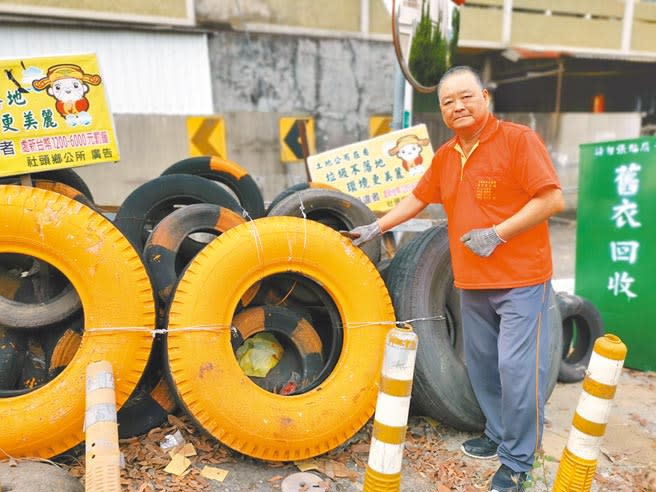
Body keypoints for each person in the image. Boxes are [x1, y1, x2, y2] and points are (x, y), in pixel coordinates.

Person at [349, 65, 565, 492]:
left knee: (518, 368)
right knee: (484, 367)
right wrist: (376, 227)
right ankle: (499, 432)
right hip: (472, 282)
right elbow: (418, 197)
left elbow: (552, 198)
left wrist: (497, 233)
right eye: (448, 102)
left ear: (484, 97)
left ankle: (519, 461)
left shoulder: (519, 141)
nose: (457, 107)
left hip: (522, 280)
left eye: (465, 97)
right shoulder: (447, 156)